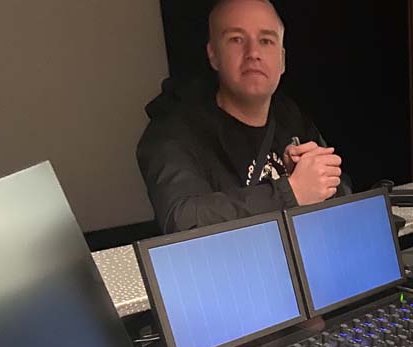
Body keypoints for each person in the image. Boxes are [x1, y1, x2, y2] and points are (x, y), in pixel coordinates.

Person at [137, 0, 351, 233]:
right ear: (213, 55)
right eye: (236, 39)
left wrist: (315, 180)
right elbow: (182, 218)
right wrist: (290, 192)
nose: (253, 53)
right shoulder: (173, 132)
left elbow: (344, 193)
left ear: (282, 60)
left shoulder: (289, 116)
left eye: (266, 41)